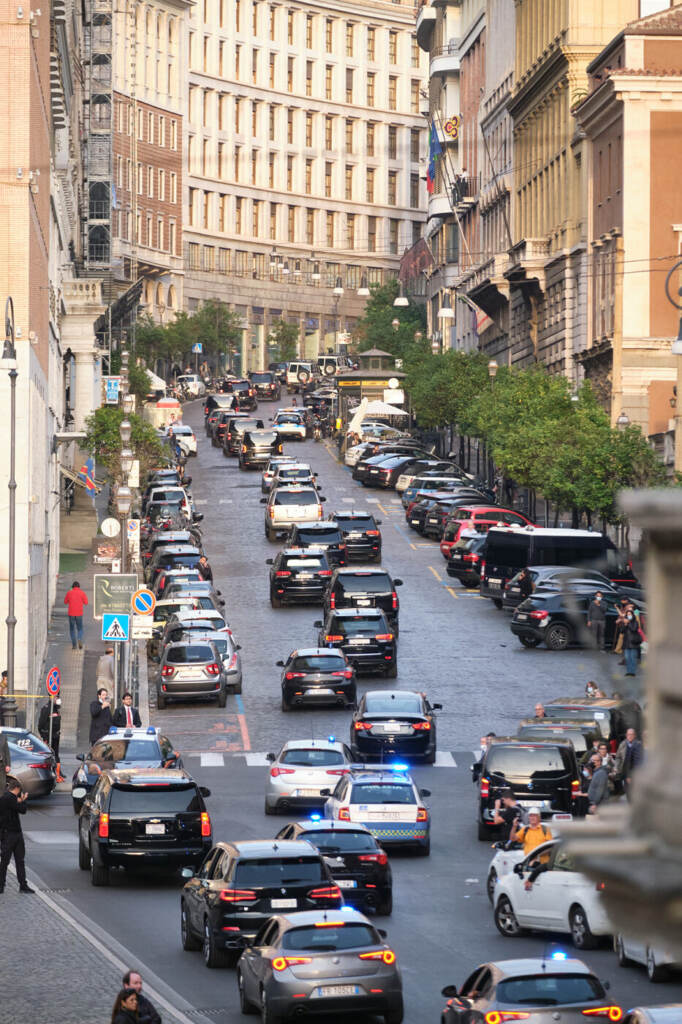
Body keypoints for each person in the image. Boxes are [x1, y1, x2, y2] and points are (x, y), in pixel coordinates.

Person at [0, 779, 34, 893]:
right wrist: (24, 800)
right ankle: (23, 885)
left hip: (7, 833)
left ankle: (1, 885)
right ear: (17, 789)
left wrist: (19, 800)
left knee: (5, 861)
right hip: (13, 834)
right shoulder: (10, 798)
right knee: (19, 861)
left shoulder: (5, 798)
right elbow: (23, 810)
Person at [38, 697, 64, 782]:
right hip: (48, 737)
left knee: (56, 755)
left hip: (56, 736)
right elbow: (41, 724)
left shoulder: (56, 708)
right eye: (56, 697)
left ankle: (58, 774)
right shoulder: (46, 708)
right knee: (49, 756)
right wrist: (44, 736)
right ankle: (51, 775)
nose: (58, 699)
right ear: (52, 698)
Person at [615, 727, 644, 798]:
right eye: (628, 734)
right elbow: (618, 757)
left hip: (635, 773)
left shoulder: (639, 744)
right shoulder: (622, 744)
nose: (630, 736)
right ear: (626, 735)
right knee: (628, 791)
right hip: (625, 771)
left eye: (632, 734)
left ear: (635, 735)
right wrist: (617, 767)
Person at [64, 580, 88, 650]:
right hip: (79, 614)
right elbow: (86, 602)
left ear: (72, 587)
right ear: (79, 587)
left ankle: (74, 644)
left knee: (72, 629)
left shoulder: (69, 592)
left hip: (71, 614)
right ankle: (79, 639)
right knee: (80, 628)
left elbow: (65, 602)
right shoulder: (82, 593)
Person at [622, 609, 642, 676]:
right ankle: (628, 671)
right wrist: (625, 624)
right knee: (627, 658)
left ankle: (632, 672)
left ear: (632, 615)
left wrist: (628, 623)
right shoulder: (625, 622)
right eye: (627, 615)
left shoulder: (635, 622)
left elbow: (634, 629)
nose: (629, 616)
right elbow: (622, 631)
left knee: (633, 658)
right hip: (626, 643)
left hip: (633, 642)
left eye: (630, 614)